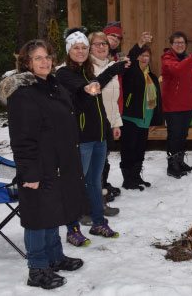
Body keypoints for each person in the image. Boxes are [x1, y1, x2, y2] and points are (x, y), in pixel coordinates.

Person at [0, 39, 85, 289]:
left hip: (58, 164)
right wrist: (29, 173)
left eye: (47, 56)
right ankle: (37, 269)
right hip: (38, 166)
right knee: (38, 217)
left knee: (54, 212)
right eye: (38, 58)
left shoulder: (52, 85)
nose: (45, 61)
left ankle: (54, 258)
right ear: (26, 63)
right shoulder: (23, 94)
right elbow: (22, 140)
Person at [56, 28, 126, 246]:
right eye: (76, 48)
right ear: (69, 50)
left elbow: (97, 98)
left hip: (98, 137)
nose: (81, 51)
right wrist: (112, 70)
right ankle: (72, 229)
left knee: (95, 183)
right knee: (76, 184)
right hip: (80, 138)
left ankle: (98, 222)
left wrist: (107, 127)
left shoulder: (88, 71)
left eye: (84, 48)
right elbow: (88, 92)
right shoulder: (64, 73)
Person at [120, 32, 163, 188]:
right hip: (131, 117)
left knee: (140, 150)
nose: (144, 58)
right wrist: (139, 43)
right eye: (141, 55)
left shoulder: (151, 75)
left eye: (147, 56)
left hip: (146, 120)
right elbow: (130, 57)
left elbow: (157, 101)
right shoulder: (130, 71)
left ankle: (136, 176)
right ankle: (127, 179)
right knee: (128, 149)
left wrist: (155, 121)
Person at [88, 31, 121, 218]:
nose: (101, 47)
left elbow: (113, 100)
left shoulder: (111, 66)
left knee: (102, 165)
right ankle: (90, 206)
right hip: (91, 125)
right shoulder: (87, 68)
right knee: (91, 168)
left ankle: (99, 203)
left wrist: (116, 123)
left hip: (107, 123)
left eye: (104, 44)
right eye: (97, 44)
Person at [160, 31, 192, 178]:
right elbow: (177, 70)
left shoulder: (187, 59)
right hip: (173, 105)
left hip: (187, 104)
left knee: (182, 135)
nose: (180, 45)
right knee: (174, 136)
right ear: (171, 45)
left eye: (182, 42)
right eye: (177, 43)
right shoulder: (167, 59)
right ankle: (172, 165)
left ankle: (180, 161)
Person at [100, 21, 124, 198]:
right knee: (98, 153)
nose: (115, 40)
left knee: (105, 152)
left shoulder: (116, 59)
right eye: (112, 36)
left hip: (112, 110)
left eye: (118, 37)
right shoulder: (97, 60)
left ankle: (103, 183)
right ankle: (98, 187)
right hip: (98, 112)